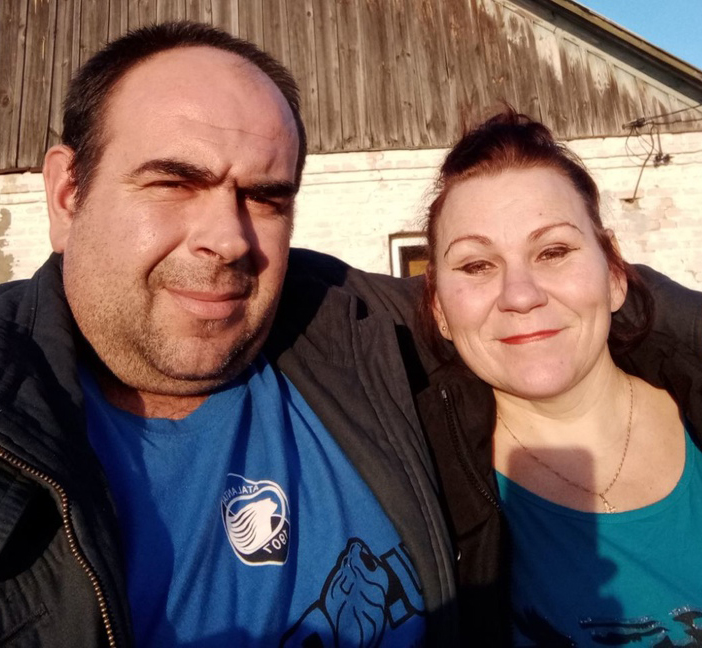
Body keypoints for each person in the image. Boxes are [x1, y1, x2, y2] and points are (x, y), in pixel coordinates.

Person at [0, 21, 456, 647]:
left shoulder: (364, 332)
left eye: (265, 199)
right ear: (66, 194)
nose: (229, 239)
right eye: (173, 183)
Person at [420, 109, 702, 645]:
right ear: (439, 310)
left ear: (614, 276)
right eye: (477, 265)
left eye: (553, 252)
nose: (520, 295)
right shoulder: (416, 488)